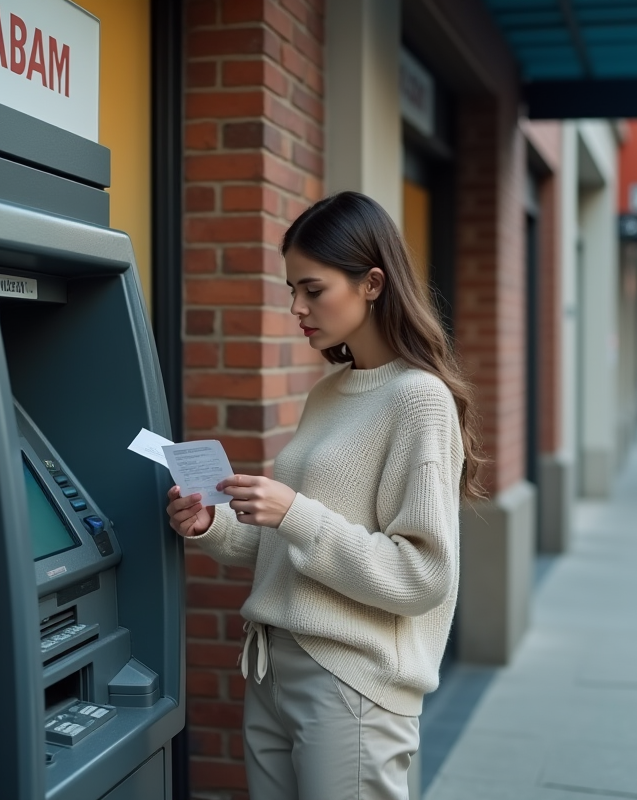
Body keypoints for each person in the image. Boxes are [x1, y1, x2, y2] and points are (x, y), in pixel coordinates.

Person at [166, 192, 480, 799]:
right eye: (292, 289)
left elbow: (423, 575)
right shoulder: (329, 392)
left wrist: (296, 513)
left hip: (350, 681)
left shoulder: (420, 399)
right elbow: (291, 546)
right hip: (272, 668)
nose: (296, 307)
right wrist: (213, 525)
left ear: (372, 284)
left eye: (313, 289)